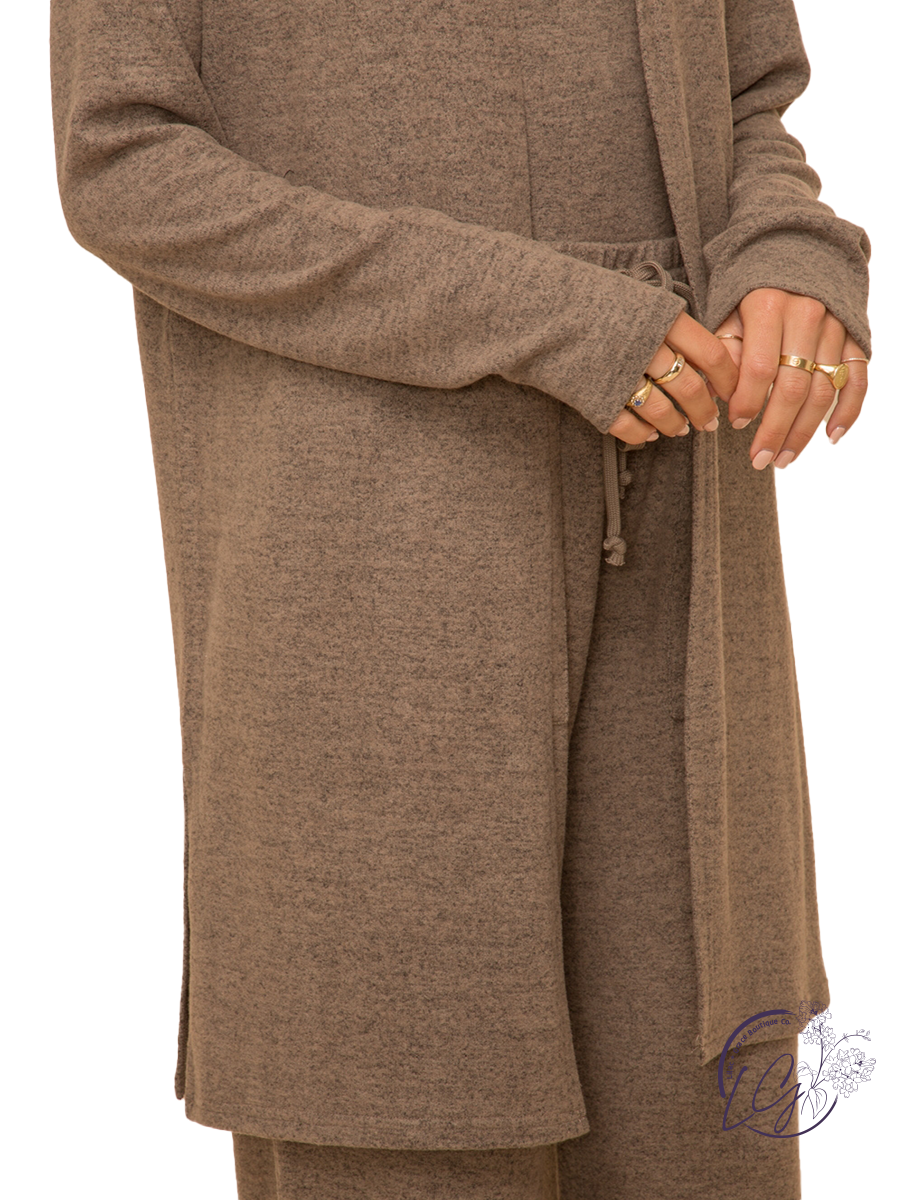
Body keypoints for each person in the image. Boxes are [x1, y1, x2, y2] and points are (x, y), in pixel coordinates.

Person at [50, 1, 870, 1197]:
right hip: (368, 560)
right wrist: (546, 314)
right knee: (398, 1094)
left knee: (700, 1127)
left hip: (687, 537)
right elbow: (123, 162)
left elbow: (751, 96)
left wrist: (787, 253)